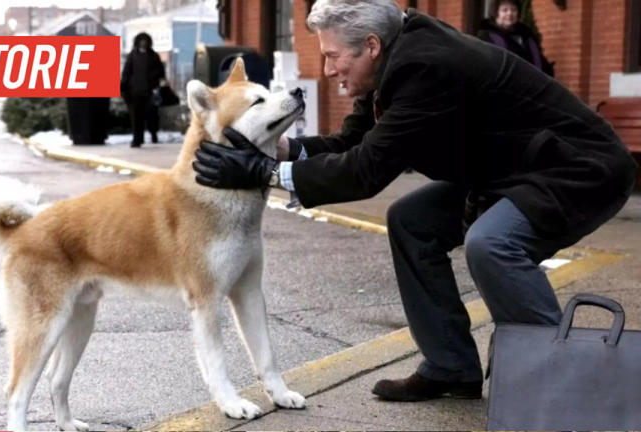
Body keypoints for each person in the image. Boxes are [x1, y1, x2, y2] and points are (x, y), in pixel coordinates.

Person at [192, 0, 637, 402]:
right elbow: (353, 143)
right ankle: (450, 366)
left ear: (370, 46)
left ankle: (563, 380)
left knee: (492, 243)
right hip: (514, 171)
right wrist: (281, 151)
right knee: (411, 220)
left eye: (331, 56)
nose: (328, 69)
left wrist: (263, 174)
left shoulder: (425, 67)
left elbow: (365, 172)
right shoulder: (392, 60)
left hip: (577, 170)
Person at [477, 0, 554, 76]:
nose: (510, 13)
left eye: (513, 10)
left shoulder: (527, 36)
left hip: (532, 83)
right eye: (504, 10)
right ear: (496, 13)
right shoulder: (486, 37)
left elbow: (539, 61)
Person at [121, 32, 166, 147]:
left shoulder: (154, 56)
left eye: (145, 40)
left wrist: (154, 80)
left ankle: (153, 133)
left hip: (150, 92)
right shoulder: (132, 56)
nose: (143, 42)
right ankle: (137, 139)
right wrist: (124, 87)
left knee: (152, 115)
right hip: (135, 92)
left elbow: (161, 72)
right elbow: (126, 72)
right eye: (141, 40)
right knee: (136, 117)